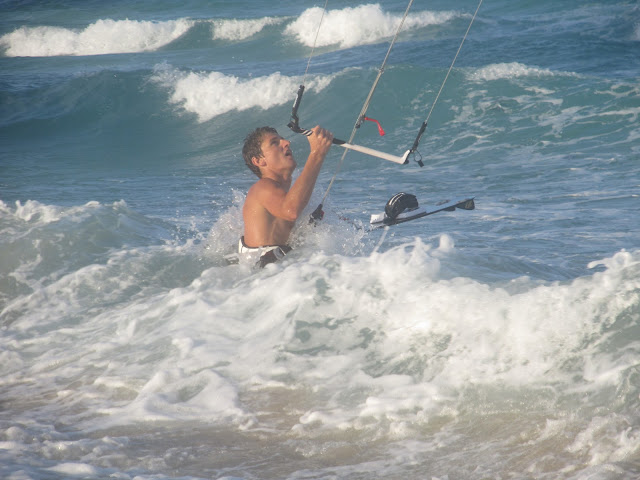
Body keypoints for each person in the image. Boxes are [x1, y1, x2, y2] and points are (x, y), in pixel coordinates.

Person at [239, 125, 333, 267]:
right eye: (274, 143)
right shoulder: (262, 187)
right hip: (262, 275)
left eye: (282, 140)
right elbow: (291, 211)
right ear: (258, 161)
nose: (286, 143)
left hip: (276, 274)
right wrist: (317, 153)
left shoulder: (284, 195)